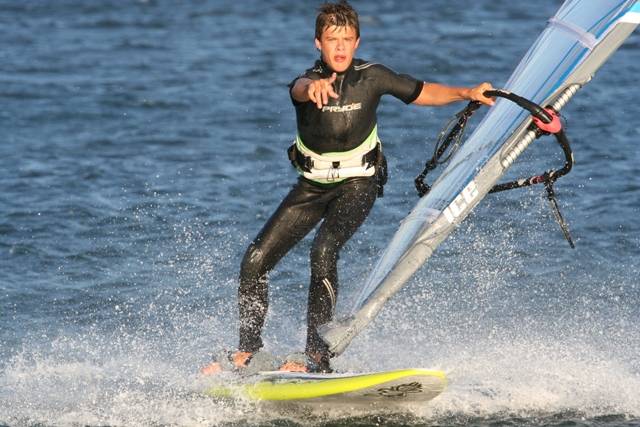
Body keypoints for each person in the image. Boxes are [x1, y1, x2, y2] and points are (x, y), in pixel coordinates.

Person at [202, 0, 494, 375]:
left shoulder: (373, 77)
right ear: (318, 43)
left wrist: (466, 93)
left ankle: (316, 356)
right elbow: (300, 89)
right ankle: (248, 350)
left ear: (356, 43)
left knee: (324, 249)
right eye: (331, 39)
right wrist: (313, 88)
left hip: (359, 184)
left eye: (346, 39)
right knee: (255, 260)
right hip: (312, 186)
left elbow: (421, 91)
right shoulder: (307, 82)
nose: (339, 47)